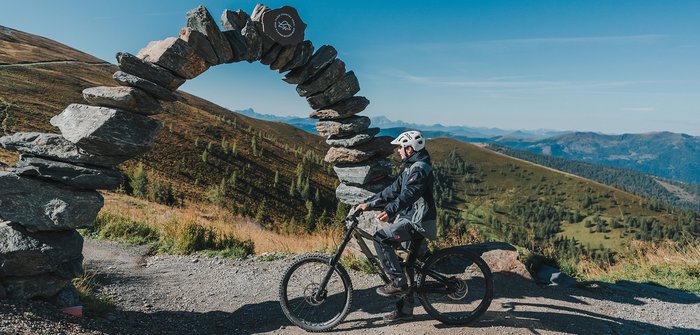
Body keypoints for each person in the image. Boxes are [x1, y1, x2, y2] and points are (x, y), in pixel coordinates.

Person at [354, 130, 437, 323]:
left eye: (400, 147)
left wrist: (390, 211)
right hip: (412, 218)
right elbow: (393, 190)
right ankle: (405, 310)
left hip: (419, 221)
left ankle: (397, 283)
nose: (398, 151)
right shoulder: (411, 168)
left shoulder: (420, 168)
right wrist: (369, 203)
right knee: (404, 265)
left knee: (380, 238)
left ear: (410, 149)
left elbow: (409, 194)